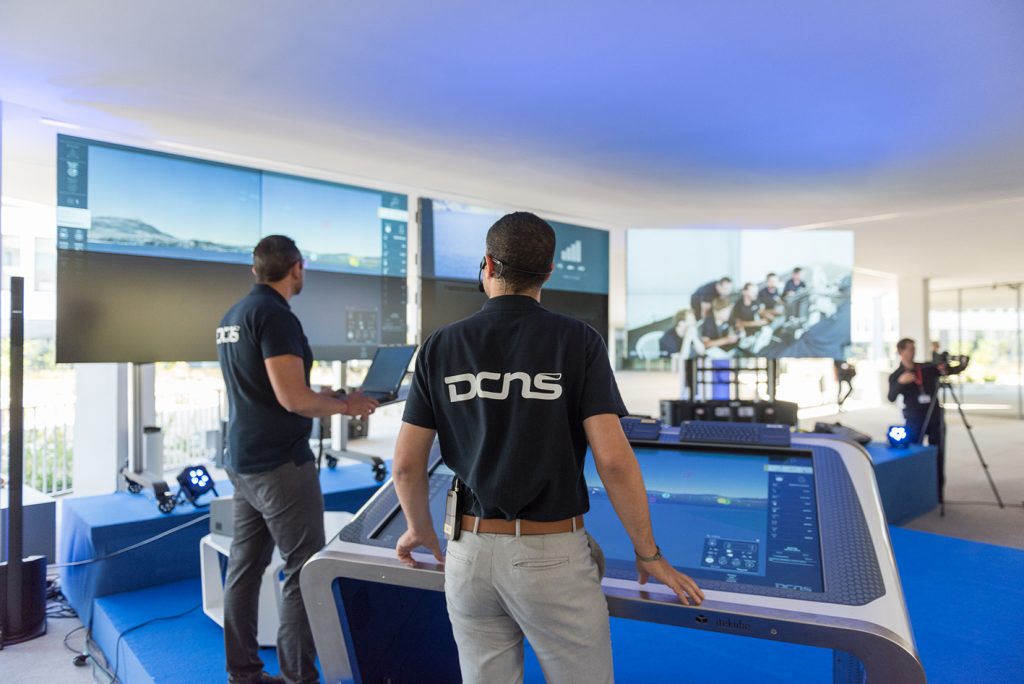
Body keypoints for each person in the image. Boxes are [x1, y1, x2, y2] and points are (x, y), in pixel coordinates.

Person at [391, 212, 703, 684]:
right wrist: (648, 552)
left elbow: (406, 465)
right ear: (549, 273)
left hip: (468, 554)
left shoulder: (441, 345)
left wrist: (418, 529)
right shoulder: (578, 341)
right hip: (550, 556)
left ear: (488, 265)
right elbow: (613, 460)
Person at [216, 235, 379, 684]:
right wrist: (346, 405)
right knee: (302, 569)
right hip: (279, 465)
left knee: (244, 569)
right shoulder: (276, 315)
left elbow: (266, 388)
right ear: (297, 268)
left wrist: (327, 394)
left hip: (243, 459)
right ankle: (299, 679)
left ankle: (243, 674)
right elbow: (292, 400)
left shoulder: (234, 315)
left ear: (255, 270)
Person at [887, 338, 946, 504]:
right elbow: (891, 397)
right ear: (901, 351)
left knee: (938, 454)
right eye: (910, 349)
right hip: (914, 419)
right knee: (913, 453)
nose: (913, 352)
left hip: (934, 417)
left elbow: (947, 370)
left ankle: (938, 494)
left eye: (914, 348)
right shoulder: (897, 375)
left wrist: (950, 364)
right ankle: (913, 493)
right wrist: (901, 382)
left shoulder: (925, 368)